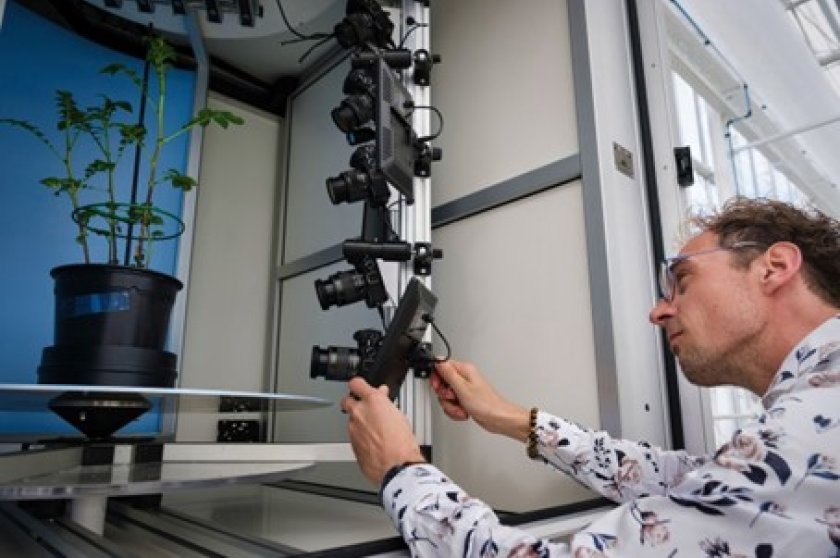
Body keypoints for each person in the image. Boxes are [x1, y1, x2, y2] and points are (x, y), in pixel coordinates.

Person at [340, 197, 840, 557]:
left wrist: (402, 471)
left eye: (681, 280)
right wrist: (512, 419)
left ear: (774, 267)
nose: (658, 311)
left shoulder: (818, 416)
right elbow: (682, 478)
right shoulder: (813, 411)